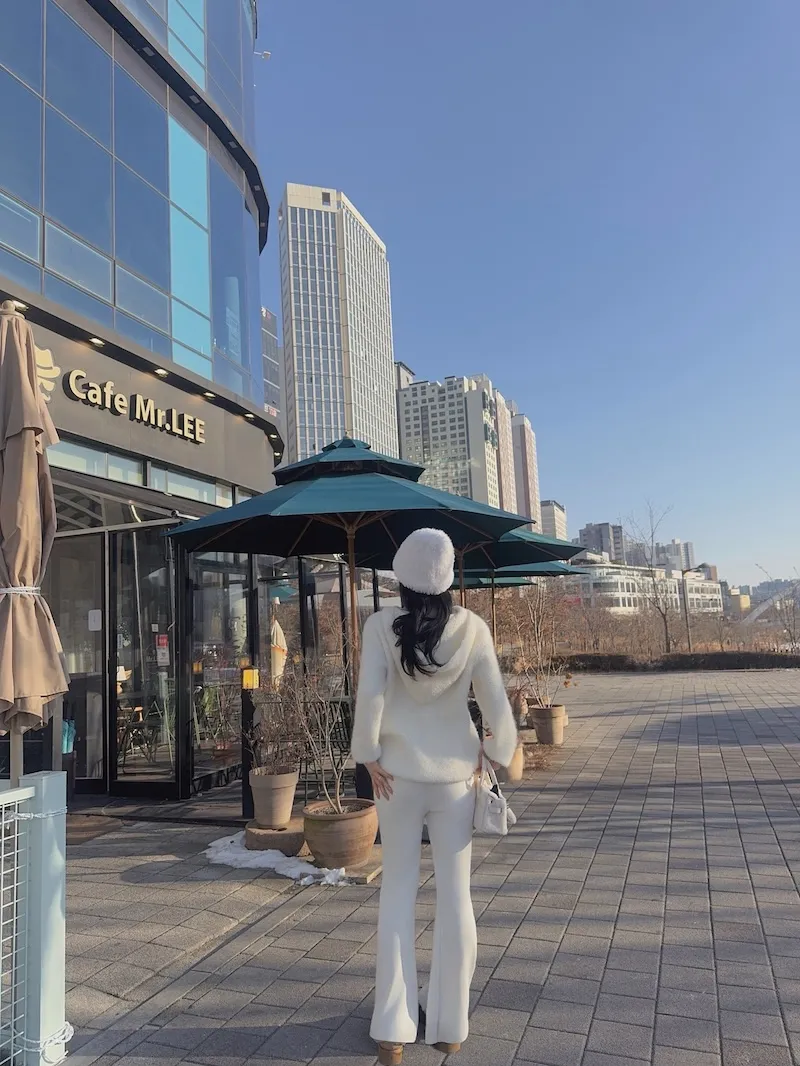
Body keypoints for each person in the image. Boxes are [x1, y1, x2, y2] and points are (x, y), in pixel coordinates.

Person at [350, 528, 518, 1066]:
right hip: (456, 779)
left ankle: (393, 1030)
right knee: (456, 895)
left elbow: (371, 698)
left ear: (401, 578)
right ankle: (450, 1026)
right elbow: (495, 705)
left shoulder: (380, 627)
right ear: (446, 580)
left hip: (395, 778)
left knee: (397, 891)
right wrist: (495, 753)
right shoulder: (473, 629)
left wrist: (367, 755)